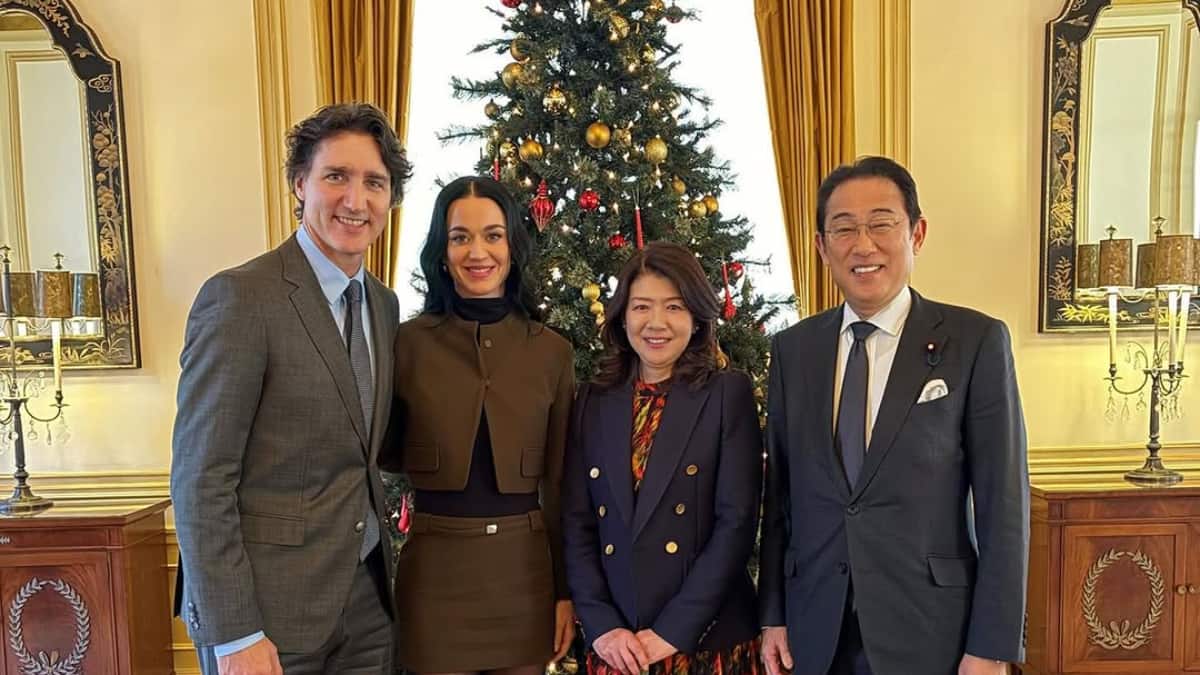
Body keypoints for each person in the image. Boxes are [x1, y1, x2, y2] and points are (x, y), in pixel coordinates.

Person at [758, 156, 1029, 675]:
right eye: (843, 229)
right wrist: (773, 614)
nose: (863, 245)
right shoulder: (793, 351)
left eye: (882, 223)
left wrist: (992, 646)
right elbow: (781, 499)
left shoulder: (974, 342)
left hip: (931, 630)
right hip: (816, 627)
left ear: (916, 233)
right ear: (821, 246)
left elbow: (1004, 507)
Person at [170, 102, 411, 675]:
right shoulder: (240, 299)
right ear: (300, 183)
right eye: (337, 177)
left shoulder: (383, 304)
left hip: (368, 606)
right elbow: (201, 479)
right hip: (267, 619)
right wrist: (234, 634)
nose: (356, 200)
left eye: (374, 182)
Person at [383, 176, 575, 674]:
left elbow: (559, 485)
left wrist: (563, 592)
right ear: (441, 252)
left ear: (513, 244)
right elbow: (380, 454)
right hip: (434, 581)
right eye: (460, 236)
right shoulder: (405, 344)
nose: (477, 251)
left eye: (492, 234)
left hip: (524, 579)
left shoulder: (552, 352)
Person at [562, 241, 763, 675]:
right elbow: (578, 523)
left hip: (706, 642)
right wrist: (600, 626)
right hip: (618, 646)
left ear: (695, 316)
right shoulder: (594, 400)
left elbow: (737, 523)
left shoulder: (728, 393)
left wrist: (673, 631)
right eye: (641, 307)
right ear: (622, 316)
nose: (656, 323)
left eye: (673, 307)